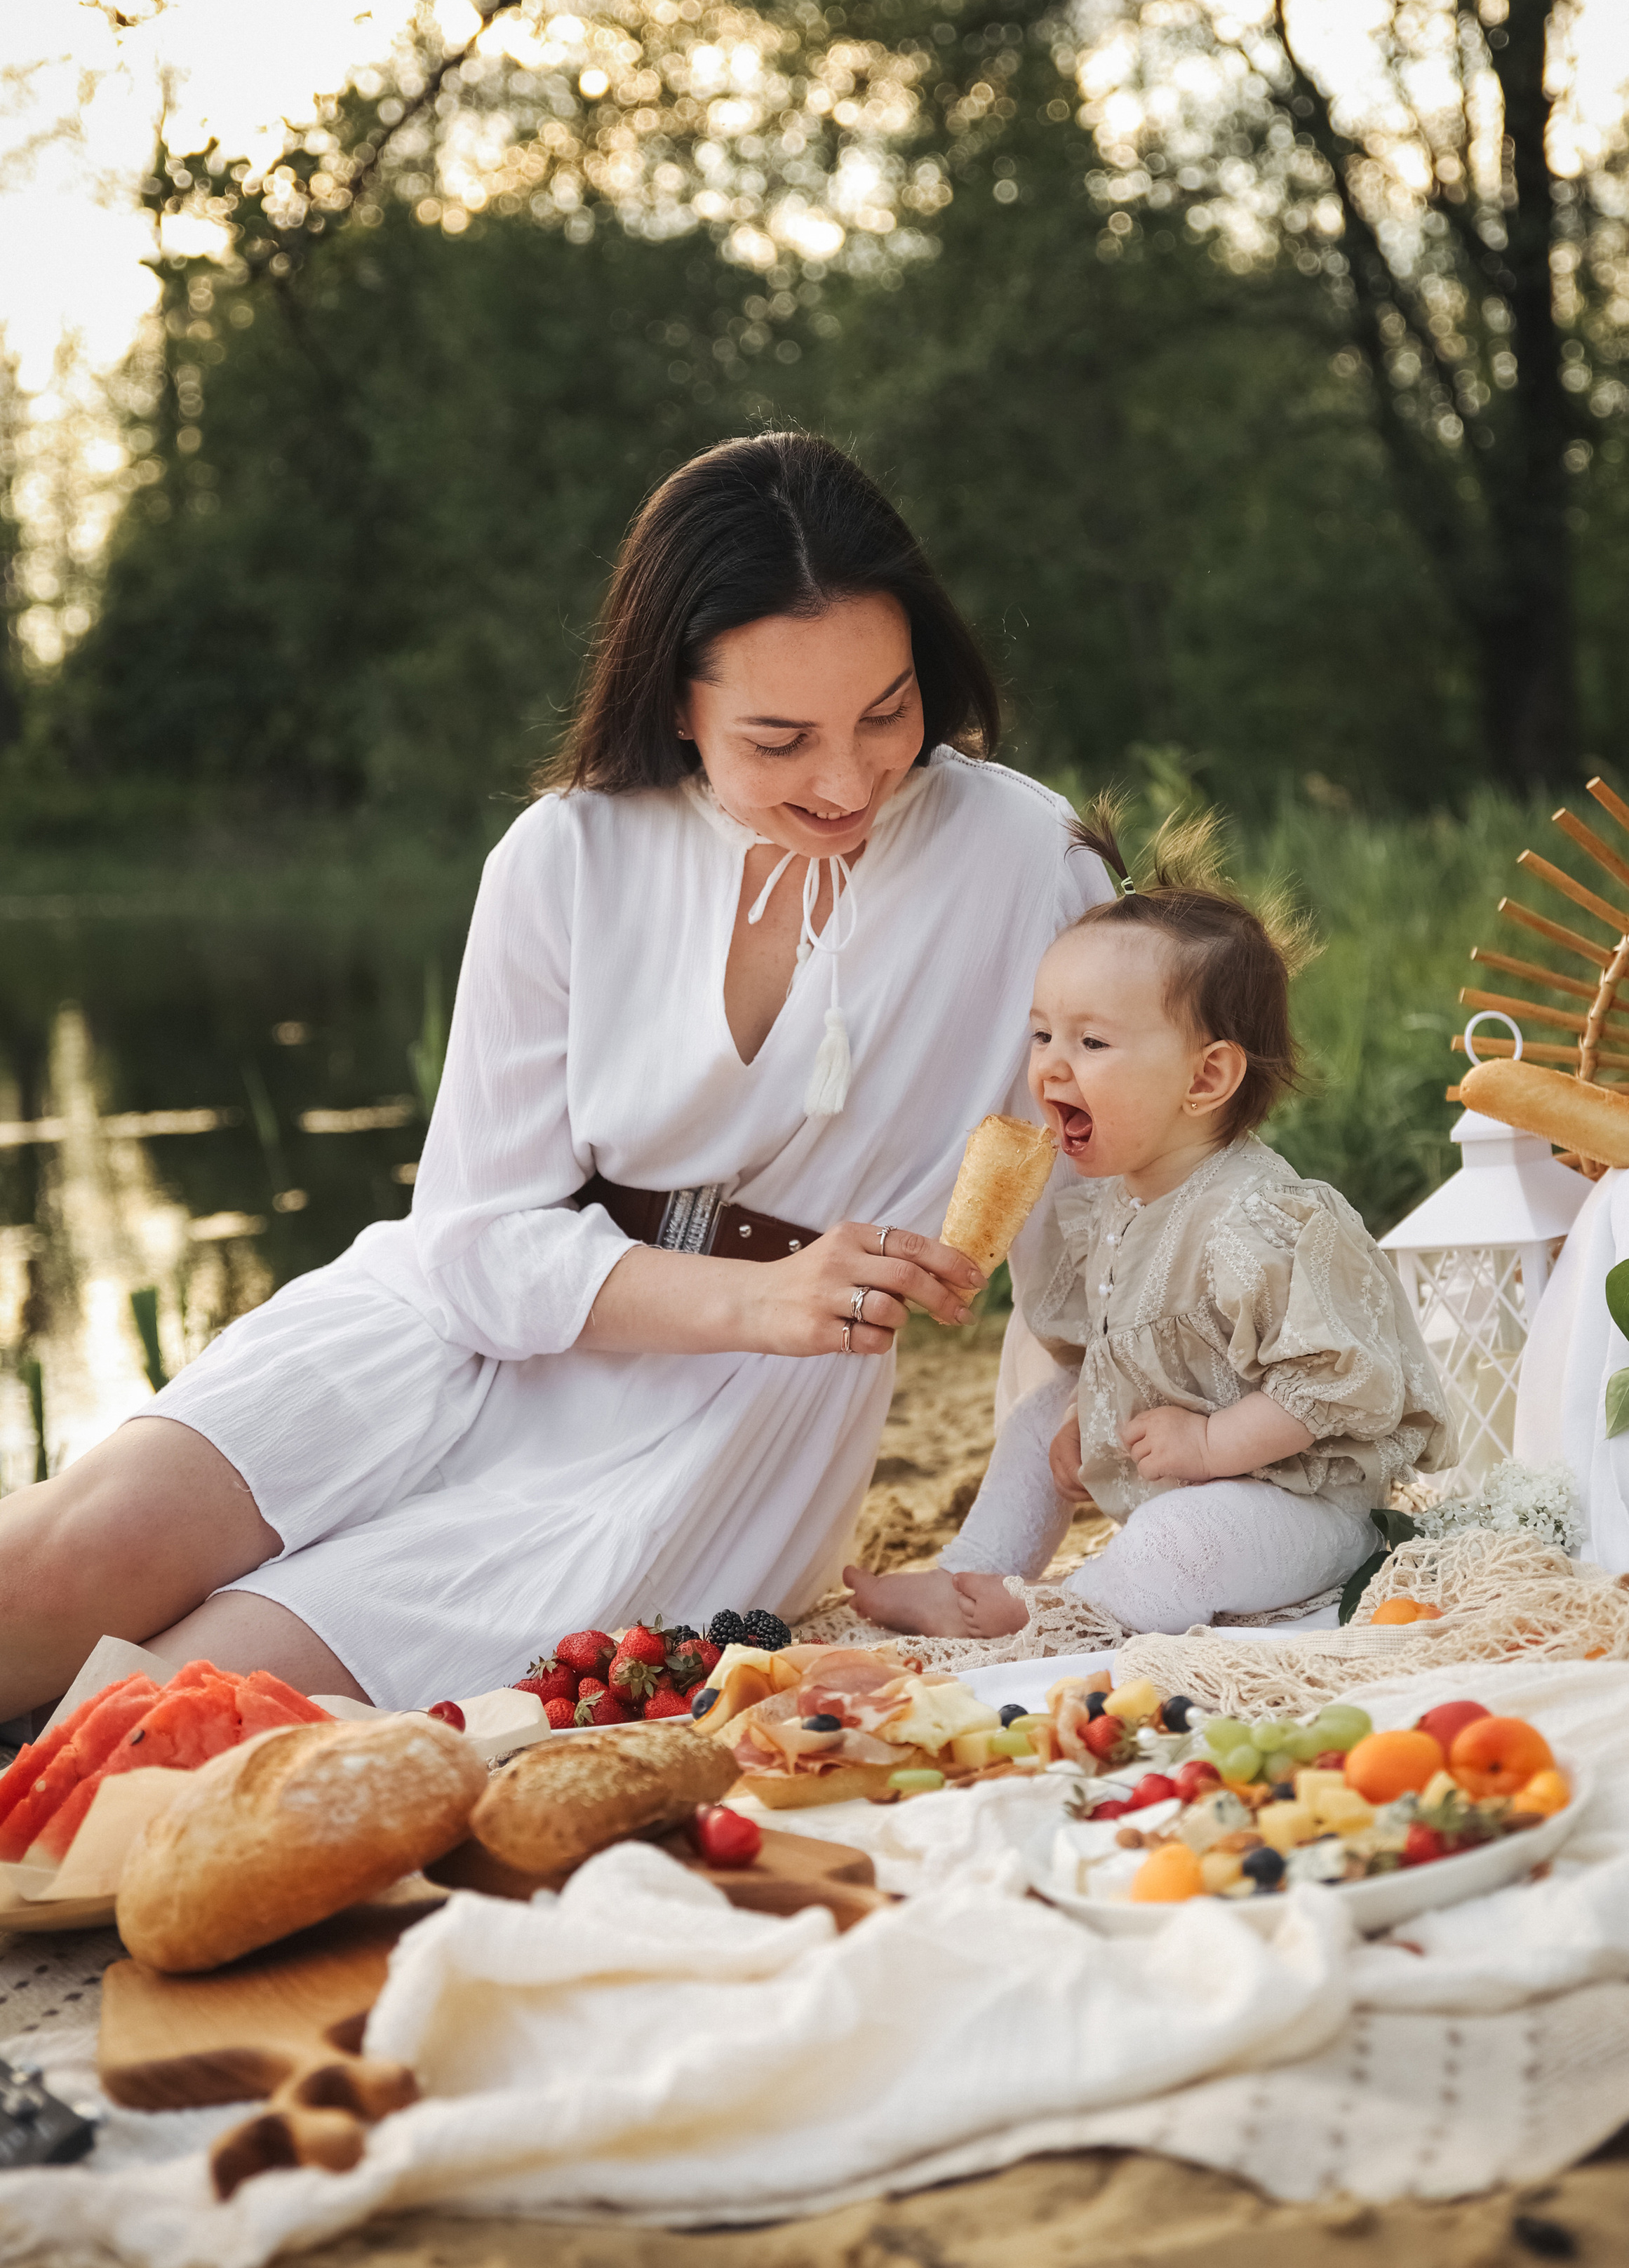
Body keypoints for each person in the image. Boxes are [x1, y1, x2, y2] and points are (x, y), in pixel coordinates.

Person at [0, 435, 1110, 1718]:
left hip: (718, 1433)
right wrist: (756, 1296)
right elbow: (474, 1241)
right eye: (779, 737)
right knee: (53, 1569)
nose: (848, 777)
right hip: (444, 1337)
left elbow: (1083, 1269)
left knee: (181, 1706)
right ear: (676, 703)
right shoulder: (567, 855)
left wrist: (991, 1565)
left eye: (888, 712)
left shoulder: (1026, 861)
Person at [845, 803, 1453, 1639]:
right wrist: (1081, 1413)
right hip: (1196, 1464)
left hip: (1299, 1506)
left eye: (1091, 1044)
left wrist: (1209, 1447)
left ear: (1204, 1080)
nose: (1051, 1064)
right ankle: (971, 1572)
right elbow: (1119, 1343)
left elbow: (1340, 1385)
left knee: (1177, 1541)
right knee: (1041, 1409)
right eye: (1042, 1033)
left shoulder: (1255, 1223)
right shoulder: (1112, 1206)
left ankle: (1066, 1615)